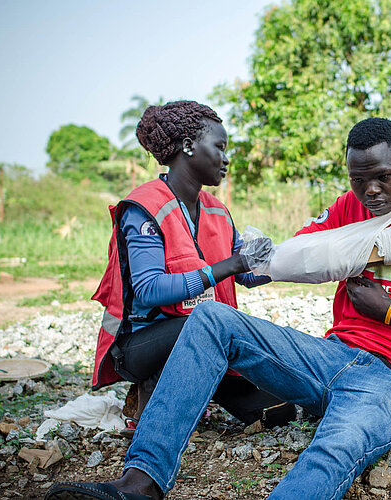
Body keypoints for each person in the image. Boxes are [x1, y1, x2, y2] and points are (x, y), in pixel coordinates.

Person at [46, 117, 391, 500]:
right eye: (358, 180)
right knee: (210, 318)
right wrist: (248, 263)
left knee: (335, 448)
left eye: (383, 177)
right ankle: (140, 483)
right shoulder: (347, 208)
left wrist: (390, 314)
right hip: (328, 356)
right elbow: (287, 257)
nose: (371, 191)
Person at [91, 100, 294, 433]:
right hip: (143, 344)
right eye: (220, 147)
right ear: (188, 147)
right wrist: (225, 266)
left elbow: (246, 273)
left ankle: (201, 389)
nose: (226, 158)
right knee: (209, 323)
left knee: (279, 411)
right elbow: (149, 288)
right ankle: (153, 407)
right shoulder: (144, 207)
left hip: (208, 337)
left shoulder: (217, 210)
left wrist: (292, 262)